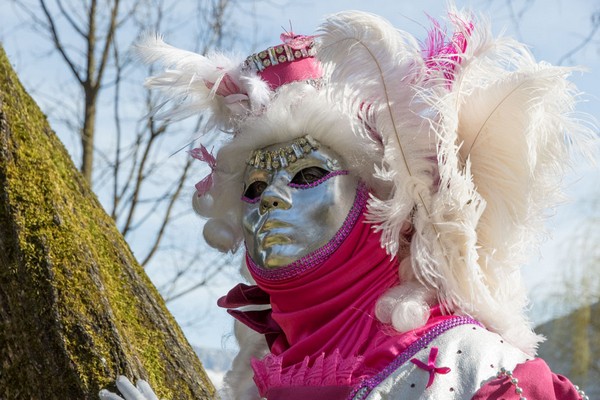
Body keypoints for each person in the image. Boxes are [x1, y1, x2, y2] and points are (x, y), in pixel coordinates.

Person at [101, 7, 593, 400]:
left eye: (307, 174)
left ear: (380, 200)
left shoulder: (473, 371)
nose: (269, 198)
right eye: (251, 187)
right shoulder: (256, 381)